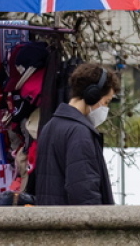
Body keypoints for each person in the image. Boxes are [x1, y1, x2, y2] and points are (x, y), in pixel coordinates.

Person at [33, 62, 118, 205]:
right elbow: (85, 192)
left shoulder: (50, 126)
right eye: (106, 102)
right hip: (73, 224)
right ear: (93, 95)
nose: (106, 108)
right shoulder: (79, 133)